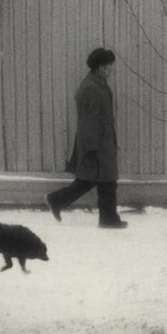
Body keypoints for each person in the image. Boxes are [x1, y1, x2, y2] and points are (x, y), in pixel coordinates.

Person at [46, 48, 127, 229]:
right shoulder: (91, 88)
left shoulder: (99, 84)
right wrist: (91, 149)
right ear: (99, 67)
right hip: (97, 144)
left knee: (106, 181)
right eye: (108, 67)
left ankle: (108, 218)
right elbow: (88, 121)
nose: (110, 70)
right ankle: (56, 200)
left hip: (103, 142)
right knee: (90, 181)